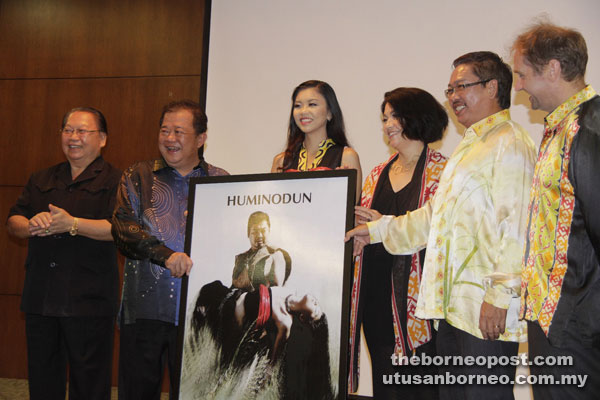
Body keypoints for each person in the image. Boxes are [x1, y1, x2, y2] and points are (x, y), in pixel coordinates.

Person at [346, 52, 536, 400]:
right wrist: (374, 231)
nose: (452, 97)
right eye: (450, 89)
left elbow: (517, 229)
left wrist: (498, 298)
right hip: (453, 311)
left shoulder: (509, 142)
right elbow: (434, 217)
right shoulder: (471, 146)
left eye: (461, 87)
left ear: (492, 87)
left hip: (484, 311)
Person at [112, 100, 228, 400]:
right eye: (165, 131)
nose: (169, 139)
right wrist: (166, 256)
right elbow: (124, 230)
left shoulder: (221, 181)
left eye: (179, 131)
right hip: (145, 309)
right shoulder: (138, 175)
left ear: (201, 139)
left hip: (200, 315)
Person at [6, 107, 121, 400]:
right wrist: (30, 225)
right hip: (41, 298)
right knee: (43, 383)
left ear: (103, 139)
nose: (73, 137)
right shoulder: (41, 178)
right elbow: (13, 222)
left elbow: (118, 230)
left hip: (89, 302)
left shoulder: (117, 181)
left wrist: (72, 224)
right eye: (68, 130)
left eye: (82, 131)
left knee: (90, 385)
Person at [512, 22, 600, 399]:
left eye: (522, 74)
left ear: (552, 68)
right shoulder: (560, 127)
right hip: (552, 318)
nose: (518, 86)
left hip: (578, 320)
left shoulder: (588, 129)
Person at [348, 88, 448, 399]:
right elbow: (366, 229)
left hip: (417, 302)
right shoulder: (378, 173)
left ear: (418, 118)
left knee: (419, 384)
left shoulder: (443, 171)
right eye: (384, 118)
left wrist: (384, 222)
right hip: (374, 296)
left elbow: (441, 232)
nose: (387, 124)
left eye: (395, 116)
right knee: (386, 382)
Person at [189, 280, 334, 400]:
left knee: (221, 371)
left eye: (316, 311)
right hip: (230, 299)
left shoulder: (285, 323)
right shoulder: (288, 289)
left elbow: (273, 360)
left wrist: (263, 382)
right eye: (317, 305)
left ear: (302, 318)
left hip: (231, 324)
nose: (317, 303)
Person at [271, 80, 362, 199]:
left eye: (312, 104)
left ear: (329, 112)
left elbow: (351, 212)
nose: (303, 111)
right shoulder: (281, 161)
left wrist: (341, 186)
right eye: (298, 105)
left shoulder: (346, 157)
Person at [232, 211, 292, 291]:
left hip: (265, 301)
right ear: (248, 233)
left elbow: (276, 291)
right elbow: (233, 288)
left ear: (269, 230)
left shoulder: (276, 255)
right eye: (255, 232)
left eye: (263, 231)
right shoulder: (240, 258)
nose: (259, 235)